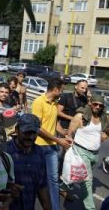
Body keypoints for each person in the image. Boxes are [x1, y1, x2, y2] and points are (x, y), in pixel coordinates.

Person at [64, 94, 109, 209]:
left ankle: (62, 185)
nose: (97, 107)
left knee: (76, 176)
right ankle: (90, 207)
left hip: (94, 155)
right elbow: (69, 134)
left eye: (100, 105)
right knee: (87, 180)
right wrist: (68, 145)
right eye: (95, 104)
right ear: (90, 103)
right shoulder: (80, 116)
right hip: (80, 152)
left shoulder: (102, 118)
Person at [32, 78, 71, 210]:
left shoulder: (55, 103)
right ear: (55, 90)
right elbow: (38, 128)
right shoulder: (38, 102)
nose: (62, 93)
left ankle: (55, 208)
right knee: (35, 178)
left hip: (52, 147)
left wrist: (65, 135)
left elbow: (55, 124)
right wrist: (58, 140)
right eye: (62, 90)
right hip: (38, 147)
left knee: (53, 179)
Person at [6, 114, 51, 210]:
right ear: (17, 130)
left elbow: (42, 186)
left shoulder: (40, 152)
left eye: (34, 133)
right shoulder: (5, 151)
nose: (31, 137)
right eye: (27, 133)